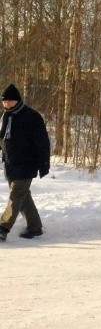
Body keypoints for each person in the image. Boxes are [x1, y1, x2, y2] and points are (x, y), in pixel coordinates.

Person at [0, 84, 50, 241]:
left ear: (18, 100)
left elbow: (43, 142)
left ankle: (3, 228)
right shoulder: (6, 116)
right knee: (23, 196)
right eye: (4, 101)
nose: (6, 104)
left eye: (9, 101)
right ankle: (35, 227)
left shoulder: (31, 116)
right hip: (10, 164)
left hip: (27, 164)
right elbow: (3, 138)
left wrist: (44, 164)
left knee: (16, 197)